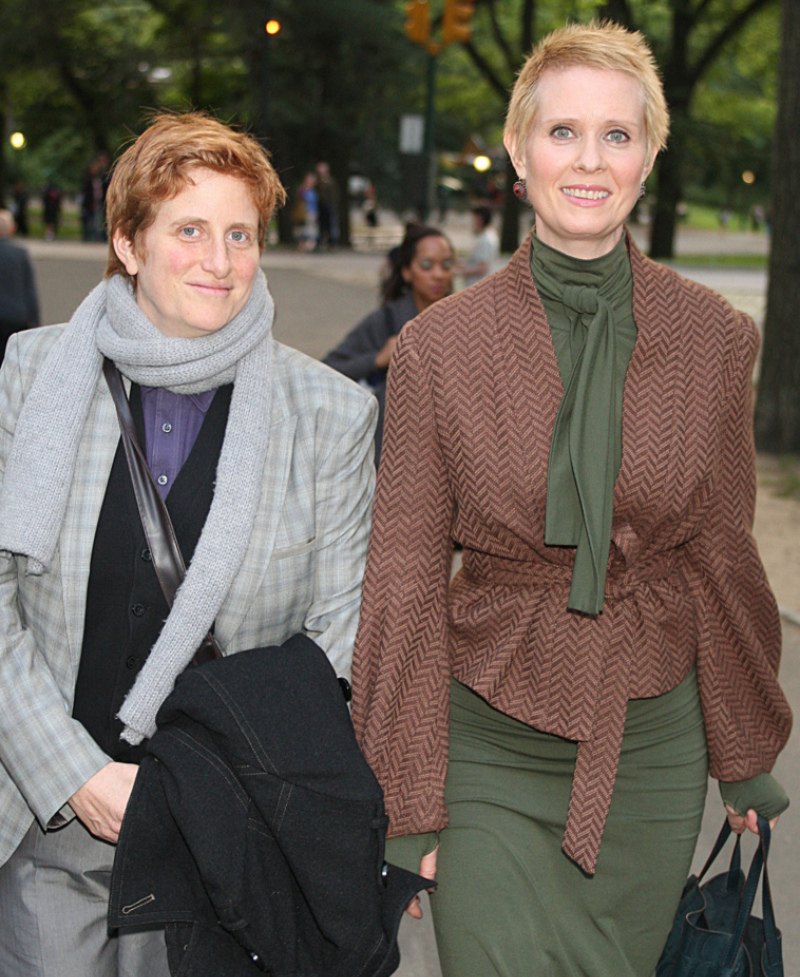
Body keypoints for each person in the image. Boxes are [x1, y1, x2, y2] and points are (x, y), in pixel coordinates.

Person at [352, 22, 791, 977]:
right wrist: (406, 791)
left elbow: (722, 550)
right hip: (489, 741)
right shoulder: (442, 349)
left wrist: (745, 744)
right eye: (563, 133)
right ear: (518, 150)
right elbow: (404, 581)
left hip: (651, 743)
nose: (590, 160)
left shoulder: (714, 339)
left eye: (618, 135)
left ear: (649, 154)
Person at [0, 111, 377, 977]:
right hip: (49, 826)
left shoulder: (330, 414)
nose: (220, 259)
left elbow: (337, 637)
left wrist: (201, 793)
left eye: (239, 233)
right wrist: (73, 774)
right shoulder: (32, 372)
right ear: (129, 242)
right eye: (190, 229)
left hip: (224, 845)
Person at [323, 224, 454, 468]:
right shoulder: (384, 323)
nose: (438, 274)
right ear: (406, 271)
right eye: (427, 265)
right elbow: (325, 371)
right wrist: (377, 359)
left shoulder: (464, 322)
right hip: (392, 463)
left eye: (446, 265)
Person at [0, 209, 40, 361]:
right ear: (12, 229)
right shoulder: (21, 254)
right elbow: (29, 291)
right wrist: (35, 321)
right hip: (17, 317)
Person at [457, 204, 499, 286]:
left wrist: (460, 271)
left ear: (480, 219)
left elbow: (482, 268)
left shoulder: (485, 240)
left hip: (478, 286)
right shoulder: (488, 235)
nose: (472, 221)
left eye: (474, 217)